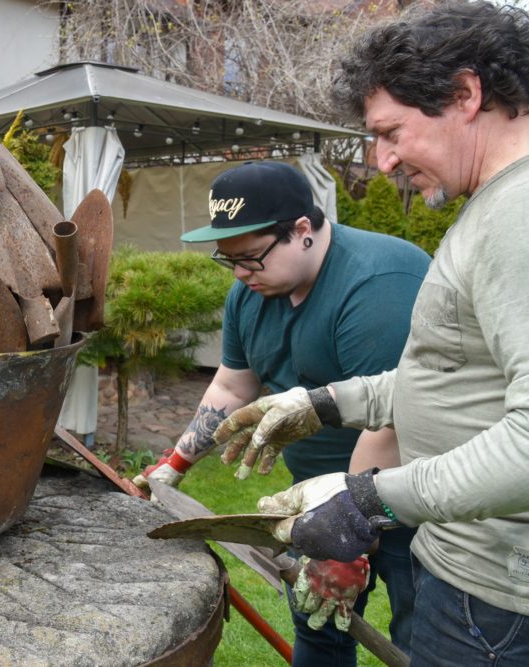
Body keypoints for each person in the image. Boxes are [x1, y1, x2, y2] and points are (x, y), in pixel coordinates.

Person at [213, 3, 529, 665]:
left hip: (495, 601)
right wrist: (326, 403)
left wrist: (366, 499)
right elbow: (454, 373)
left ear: (466, 94)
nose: (380, 162)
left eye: (390, 132)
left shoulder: (518, 218)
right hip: (469, 574)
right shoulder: (494, 204)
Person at [134, 160, 430, 665]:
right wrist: (175, 466)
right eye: (228, 261)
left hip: (410, 495)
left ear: (303, 231)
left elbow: (388, 424)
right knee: (317, 629)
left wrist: (347, 545)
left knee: (421, 638)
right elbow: (232, 384)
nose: (241, 274)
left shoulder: (378, 285)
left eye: (251, 258)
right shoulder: (251, 293)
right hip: (318, 500)